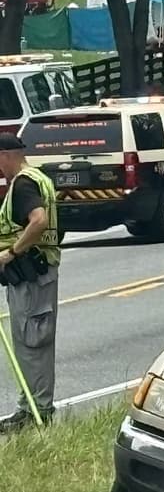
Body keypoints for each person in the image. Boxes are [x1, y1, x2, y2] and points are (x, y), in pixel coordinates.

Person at [0, 133, 61, 432]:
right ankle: (29, 409)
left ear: (6, 156)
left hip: (30, 275)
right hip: (37, 273)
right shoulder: (39, 178)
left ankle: (38, 413)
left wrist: (12, 252)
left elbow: (38, 220)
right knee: (31, 343)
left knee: (31, 342)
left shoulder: (23, 184)